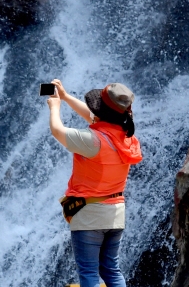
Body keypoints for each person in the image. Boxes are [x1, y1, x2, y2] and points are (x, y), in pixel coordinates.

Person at [46, 79, 142, 287]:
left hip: (90, 215)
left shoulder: (93, 141)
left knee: (89, 273)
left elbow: (57, 130)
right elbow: (92, 117)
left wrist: (55, 107)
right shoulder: (126, 137)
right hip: (115, 213)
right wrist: (65, 96)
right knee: (111, 270)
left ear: (101, 112)